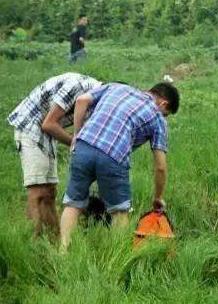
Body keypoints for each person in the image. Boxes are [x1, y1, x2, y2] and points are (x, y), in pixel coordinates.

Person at [59, 82, 180, 249]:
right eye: (166, 114)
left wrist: (76, 135)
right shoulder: (158, 118)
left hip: (83, 146)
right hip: (113, 155)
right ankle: (116, 259)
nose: (164, 116)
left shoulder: (116, 87)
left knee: (73, 203)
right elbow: (160, 166)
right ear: (163, 103)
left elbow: (81, 100)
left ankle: (63, 253)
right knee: (119, 212)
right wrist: (158, 197)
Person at [7, 73, 101, 237]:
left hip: (47, 133)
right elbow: (48, 124)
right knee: (37, 192)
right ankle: (33, 243)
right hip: (31, 126)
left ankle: (53, 241)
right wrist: (75, 144)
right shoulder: (77, 86)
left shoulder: (94, 100)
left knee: (50, 192)